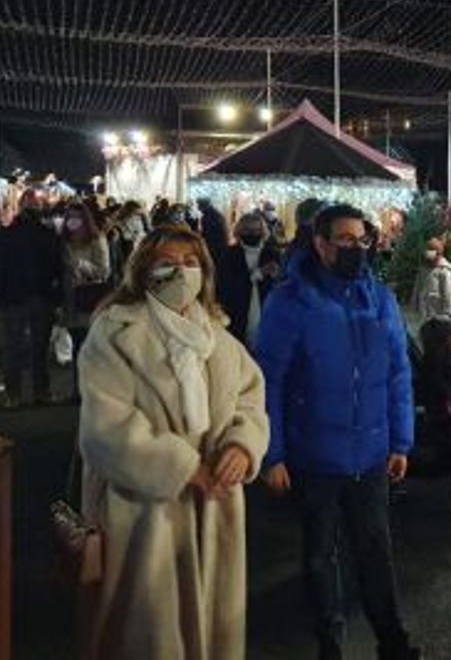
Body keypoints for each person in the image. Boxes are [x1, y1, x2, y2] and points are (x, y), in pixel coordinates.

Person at [78, 225, 269, 660]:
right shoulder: (115, 333)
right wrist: (184, 469)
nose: (182, 273)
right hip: (145, 512)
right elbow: (107, 426)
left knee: (211, 626)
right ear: (144, 270)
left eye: (191, 263)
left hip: (215, 505)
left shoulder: (219, 337)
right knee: (150, 632)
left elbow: (250, 399)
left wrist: (241, 446)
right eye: (167, 262)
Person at [257, 203, 420, 660]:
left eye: (361, 239)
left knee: (376, 553)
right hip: (314, 456)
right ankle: (330, 645)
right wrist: (272, 454)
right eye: (343, 239)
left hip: (370, 454)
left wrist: (401, 440)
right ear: (321, 244)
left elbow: (397, 373)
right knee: (319, 558)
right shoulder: (289, 301)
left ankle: (393, 641)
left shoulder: (380, 298)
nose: (355, 247)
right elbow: (267, 380)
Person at [0, 190, 62, 408]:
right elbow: (58, 268)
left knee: (13, 347)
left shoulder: (4, 235)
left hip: (14, 296)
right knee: (39, 348)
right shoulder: (48, 235)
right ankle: (42, 391)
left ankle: (14, 395)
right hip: (41, 295)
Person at [60, 201, 111, 402]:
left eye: (77, 217)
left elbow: (104, 271)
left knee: (89, 348)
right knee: (76, 347)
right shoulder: (63, 241)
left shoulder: (96, 239)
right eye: (69, 217)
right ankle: (77, 390)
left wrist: (80, 265)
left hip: (89, 300)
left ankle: (92, 391)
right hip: (70, 301)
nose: (73, 221)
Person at [216, 212, 282, 349]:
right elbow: (224, 286)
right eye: (247, 230)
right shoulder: (229, 254)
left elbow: (283, 285)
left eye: (256, 230)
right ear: (239, 231)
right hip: (237, 313)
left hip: (266, 312)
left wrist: (277, 276)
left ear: (263, 231)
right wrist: (257, 274)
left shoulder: (273, 254)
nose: (252, 233)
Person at [412, 232, 451, 323]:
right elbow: (417, 286)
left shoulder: (444, 270)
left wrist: (448, 312)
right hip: (424, 310)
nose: (428, 254)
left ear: (438, 254)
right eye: (427, 252)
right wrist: (414, 303)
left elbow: (448, 293)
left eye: (431, 252)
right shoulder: (424, 269)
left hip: (438, 312)